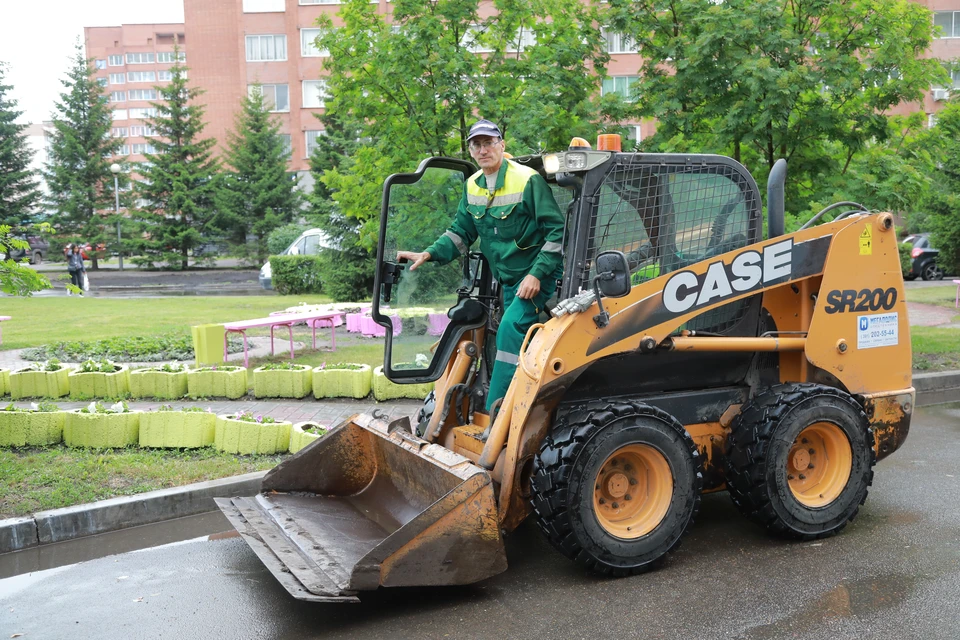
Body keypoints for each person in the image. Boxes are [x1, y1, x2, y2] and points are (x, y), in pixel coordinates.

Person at [397, 119, 565, 414]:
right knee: (495, 334)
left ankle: (496, 413)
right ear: (471, 151)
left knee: (510, 329)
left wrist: (536, 274)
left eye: (489, 143)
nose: (483, 150)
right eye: (477, 145)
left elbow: (556, 231)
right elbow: (461, 232)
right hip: (507, 280)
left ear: (502, 145)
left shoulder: (527, 180)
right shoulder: (473, 186)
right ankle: (519, 396)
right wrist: (429, 253)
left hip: (536, 276)